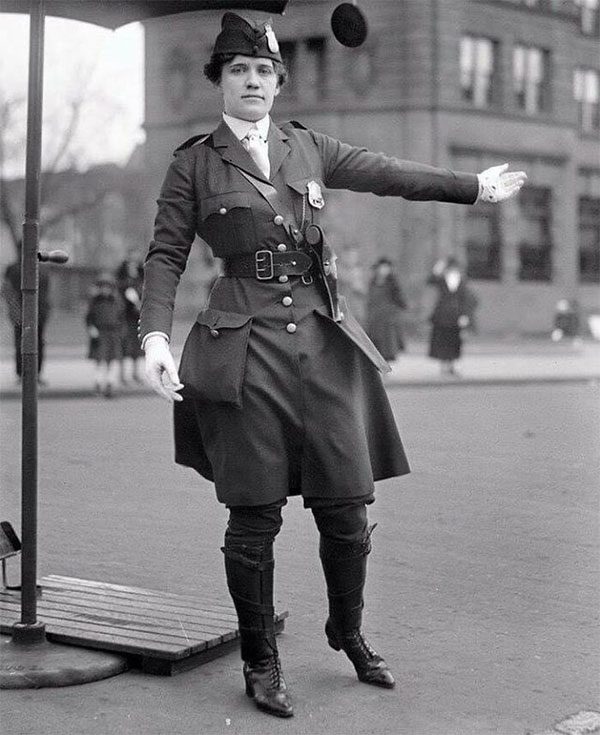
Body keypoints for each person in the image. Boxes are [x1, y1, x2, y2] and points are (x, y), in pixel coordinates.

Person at [139, 12, 526, 719]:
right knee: (253, 516)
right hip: (243, 348)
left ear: (278, 83)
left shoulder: (307, 146)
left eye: (263, 73)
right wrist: (154, 339)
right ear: (220, 83)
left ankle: (346, 629)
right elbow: (165, 255)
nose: (252, 82)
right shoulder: (193, 161)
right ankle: (261, 660)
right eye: (239, 72)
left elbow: (389, 172)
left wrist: (470, 186)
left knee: (347, 507)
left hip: (320, 345)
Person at [1, 248, 51, 385]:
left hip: (31, 313)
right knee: (34, 343)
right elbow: (7, 290)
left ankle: (26, 373)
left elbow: (6, 290)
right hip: (31, 312)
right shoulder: (39, 269)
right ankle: (31, 373)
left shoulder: (15, 268)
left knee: (25, 343)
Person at [427, 256, 478, 376]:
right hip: (442, 316)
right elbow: (430, 280)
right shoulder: (441, 280)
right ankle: (444, 366)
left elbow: (467, 299)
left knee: (454, 342)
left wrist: (465, 315)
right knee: (442, 341)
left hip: (456, 316)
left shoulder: (462, 281)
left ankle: (452, 366)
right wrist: (438, 267)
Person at [85, 273, 123, 398]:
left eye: (108, 287)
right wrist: (92, 329)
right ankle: (98, 383)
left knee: (112, 361)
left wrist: (121, 332)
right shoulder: (95, 302)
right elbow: (89, 318)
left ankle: (110, 384)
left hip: (113, 333)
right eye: (102, 287)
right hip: (100, 333)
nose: (105, 290)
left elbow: (121, 318)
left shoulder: (116, 301)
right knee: (99, 361)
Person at [365, 257, 407, 361]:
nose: (384, 270)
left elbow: (400, 300)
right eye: (382, 267)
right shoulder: (372, 282)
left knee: (387, 345)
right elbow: (369, 299)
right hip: (374, 318)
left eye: (386, 268)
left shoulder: (393, 283)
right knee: (374, 343)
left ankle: (385, 368)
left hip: (388, 319)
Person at [115, 254, 144, 384]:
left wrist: (140, 304)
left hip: (136, 318)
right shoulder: (121, 282)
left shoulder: (141, 281)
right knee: (123, 345)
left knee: (137, 347)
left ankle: (135, 373)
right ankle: (122, 374)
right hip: (124, 318)